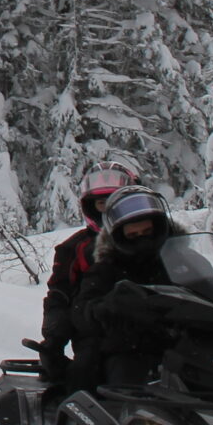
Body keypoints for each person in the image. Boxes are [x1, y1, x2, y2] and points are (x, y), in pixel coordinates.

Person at [37, 186, 178, 398]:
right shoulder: (106, 266)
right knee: (94, 371)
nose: (142, 239)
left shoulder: (179, 258)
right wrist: (104, 309)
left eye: (147, 232)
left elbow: (210, 284)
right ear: (120, 236)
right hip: (125, 344)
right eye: (133, 235)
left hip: (178, 341)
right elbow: (81, 305)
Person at [40, 162, 141, 346]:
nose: (110, 209)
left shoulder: (153, 235)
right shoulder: (74, 248)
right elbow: (59, 295)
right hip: (97, 336)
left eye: (116, 201)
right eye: (103, 203)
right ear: (91, 207)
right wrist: (54, 339)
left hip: (157, 329)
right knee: (86, 368)